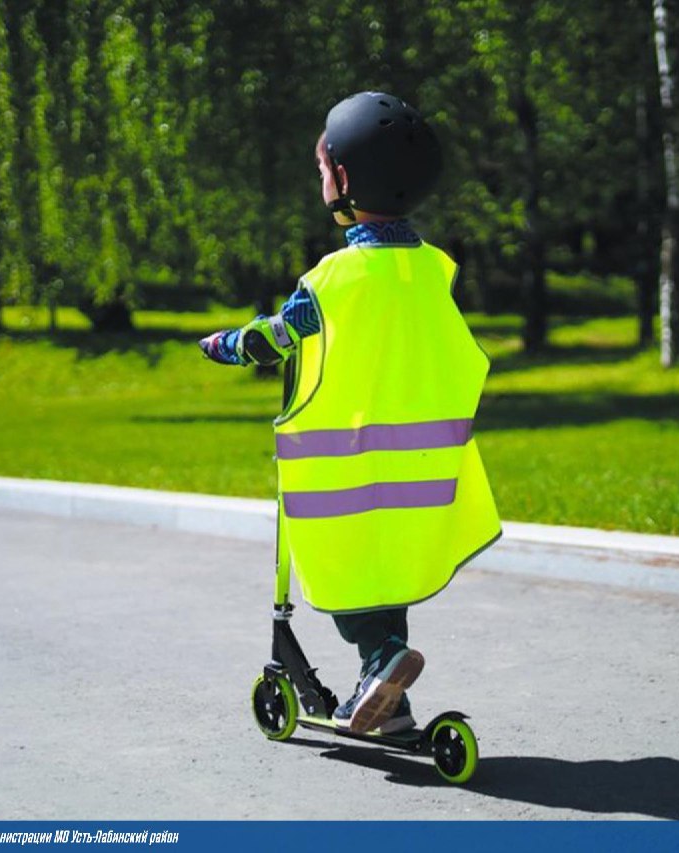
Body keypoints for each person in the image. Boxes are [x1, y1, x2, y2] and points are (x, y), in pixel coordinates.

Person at [199, 92, 501, 735]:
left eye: (320, 169)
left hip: (345, 468)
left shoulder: (330, 281)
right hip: (424, 470)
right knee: (385, 574)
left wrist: (223, 345)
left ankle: (383, 659)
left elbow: (276, 337)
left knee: (348, 581)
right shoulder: (435, 272)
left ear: (342, 180)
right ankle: (390, 695)